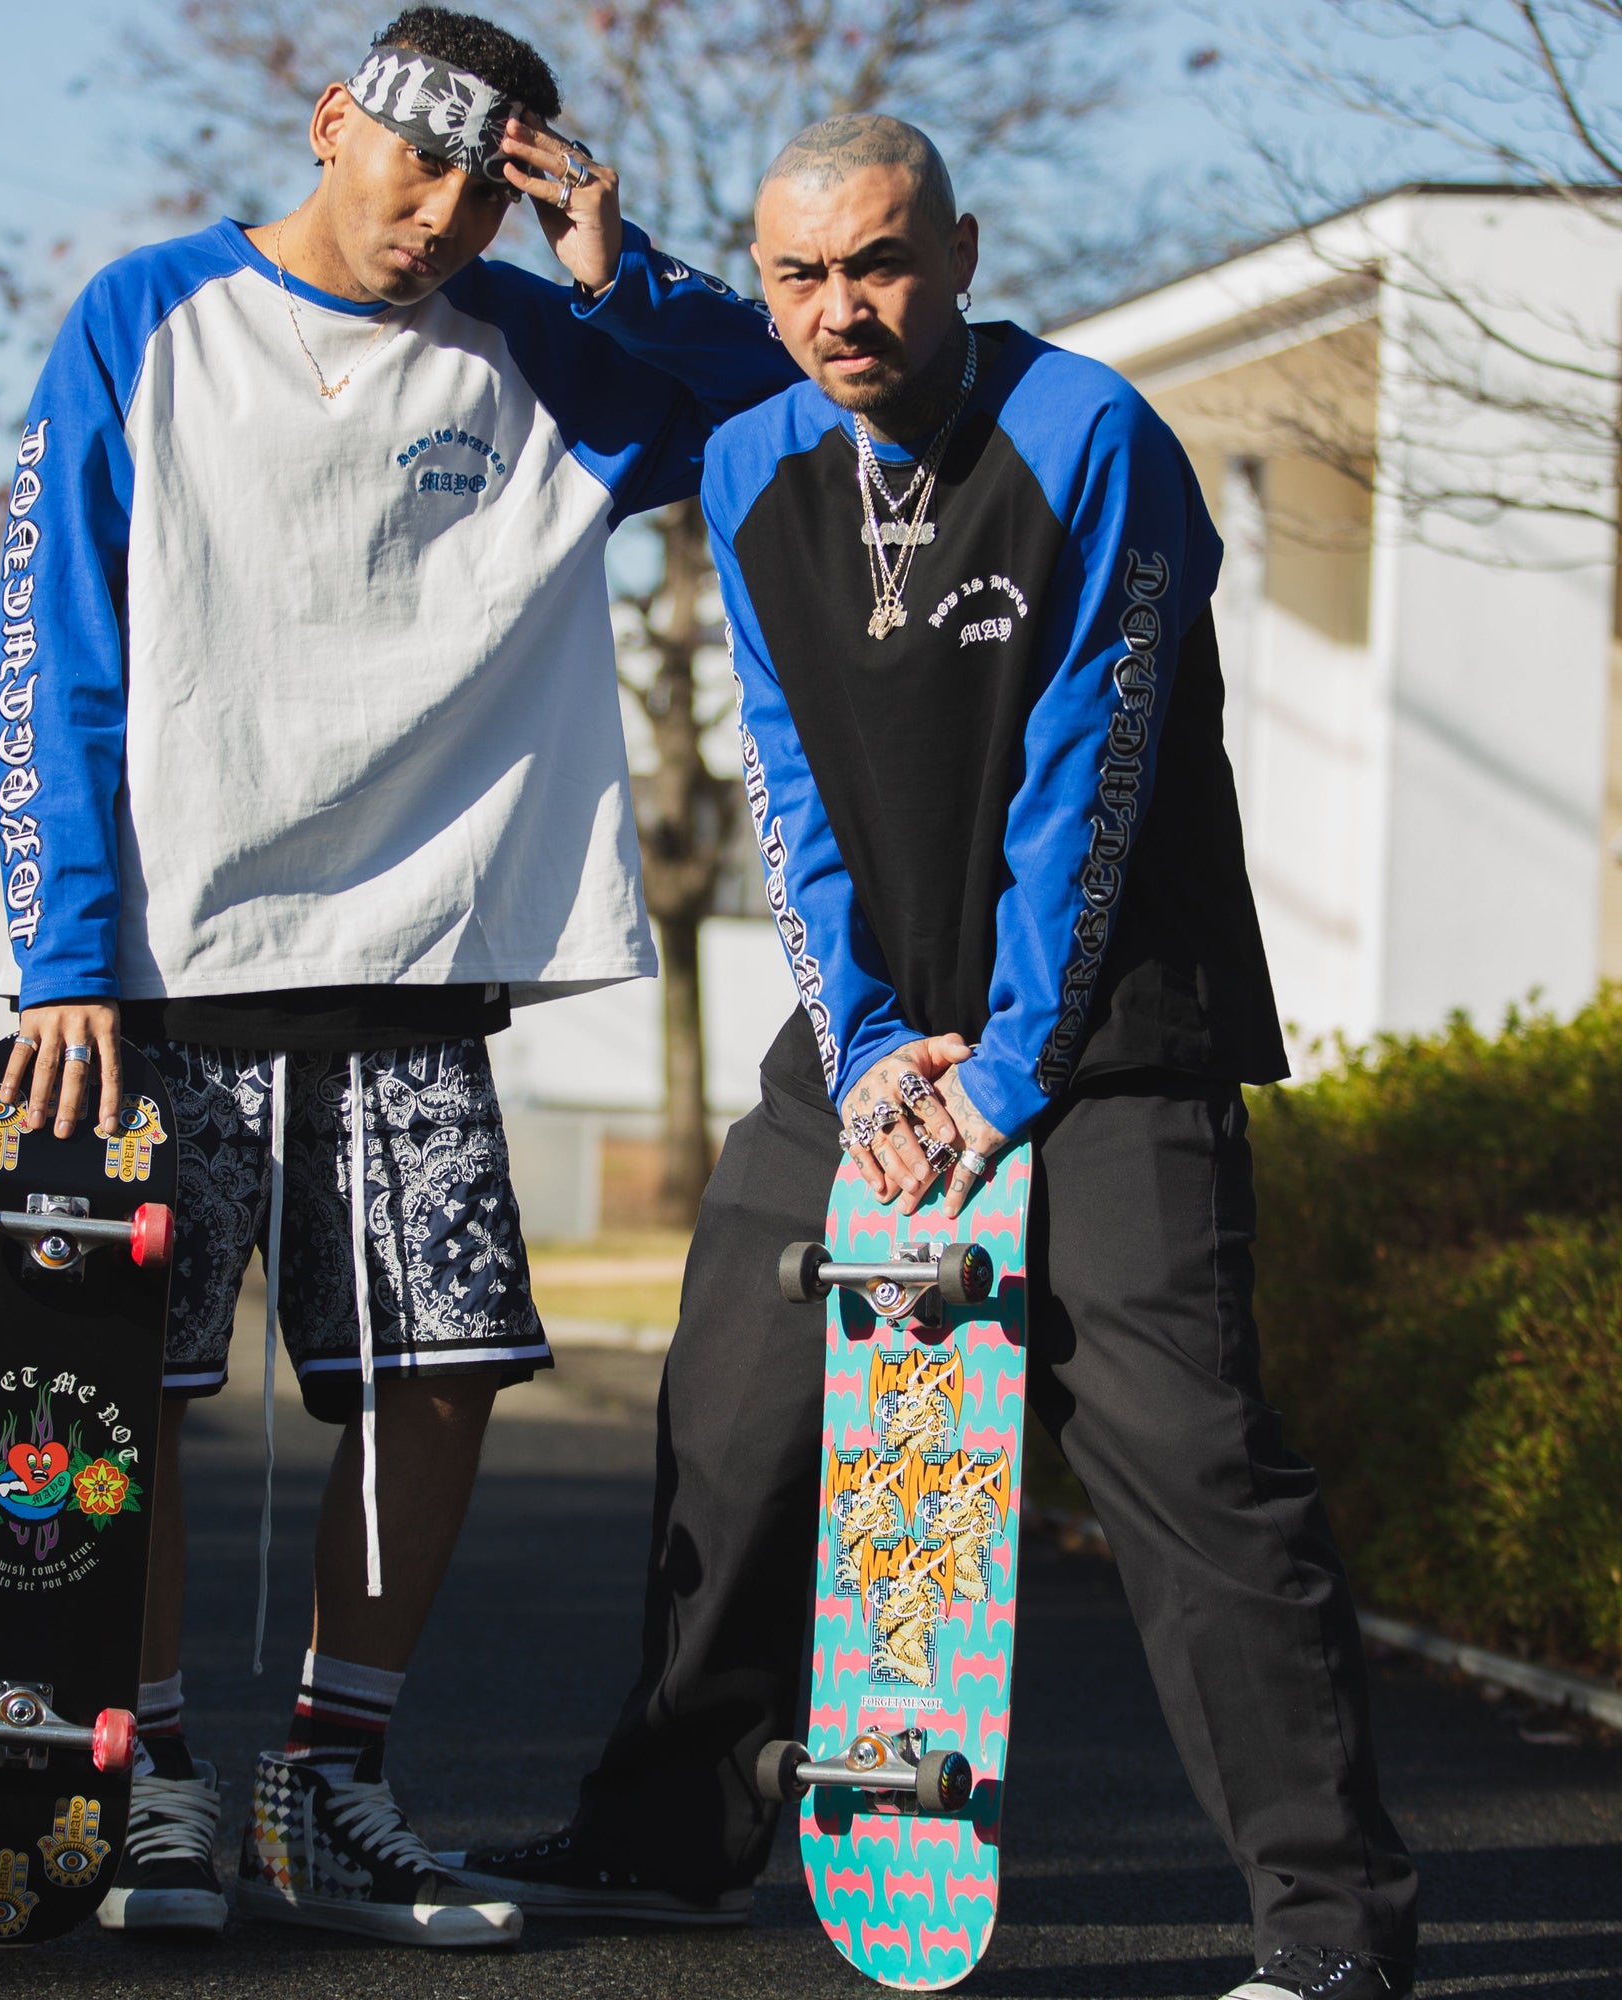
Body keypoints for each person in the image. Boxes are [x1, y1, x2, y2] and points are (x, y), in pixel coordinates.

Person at [443, 114, 1420, 2000]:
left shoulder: (1091, 442)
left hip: (1113, 1028)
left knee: (1187, 1465)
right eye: (801, 277)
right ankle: (670, 1834)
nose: (840, 311)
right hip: (874, 1035)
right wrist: (878, 1038)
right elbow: (788, 780)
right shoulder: (752, 464)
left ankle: (1329, 1929)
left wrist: (1005, 1074)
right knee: (730, 1423)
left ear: (960, 253)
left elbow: (1095, 786)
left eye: (879, 265)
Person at [0, 6, 795, 1948]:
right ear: (334, 119)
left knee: (435, 1380)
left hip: (419, 953)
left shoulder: (539, 350)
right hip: (165, 974)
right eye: (411, 162)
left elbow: (764, 407)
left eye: (482, 186)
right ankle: (162, 1780)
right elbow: (55, 631)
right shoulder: (148, 316)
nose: (438, 215)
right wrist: (66, 949)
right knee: (138, 1387)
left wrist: (615, 259)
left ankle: (329, 1788)